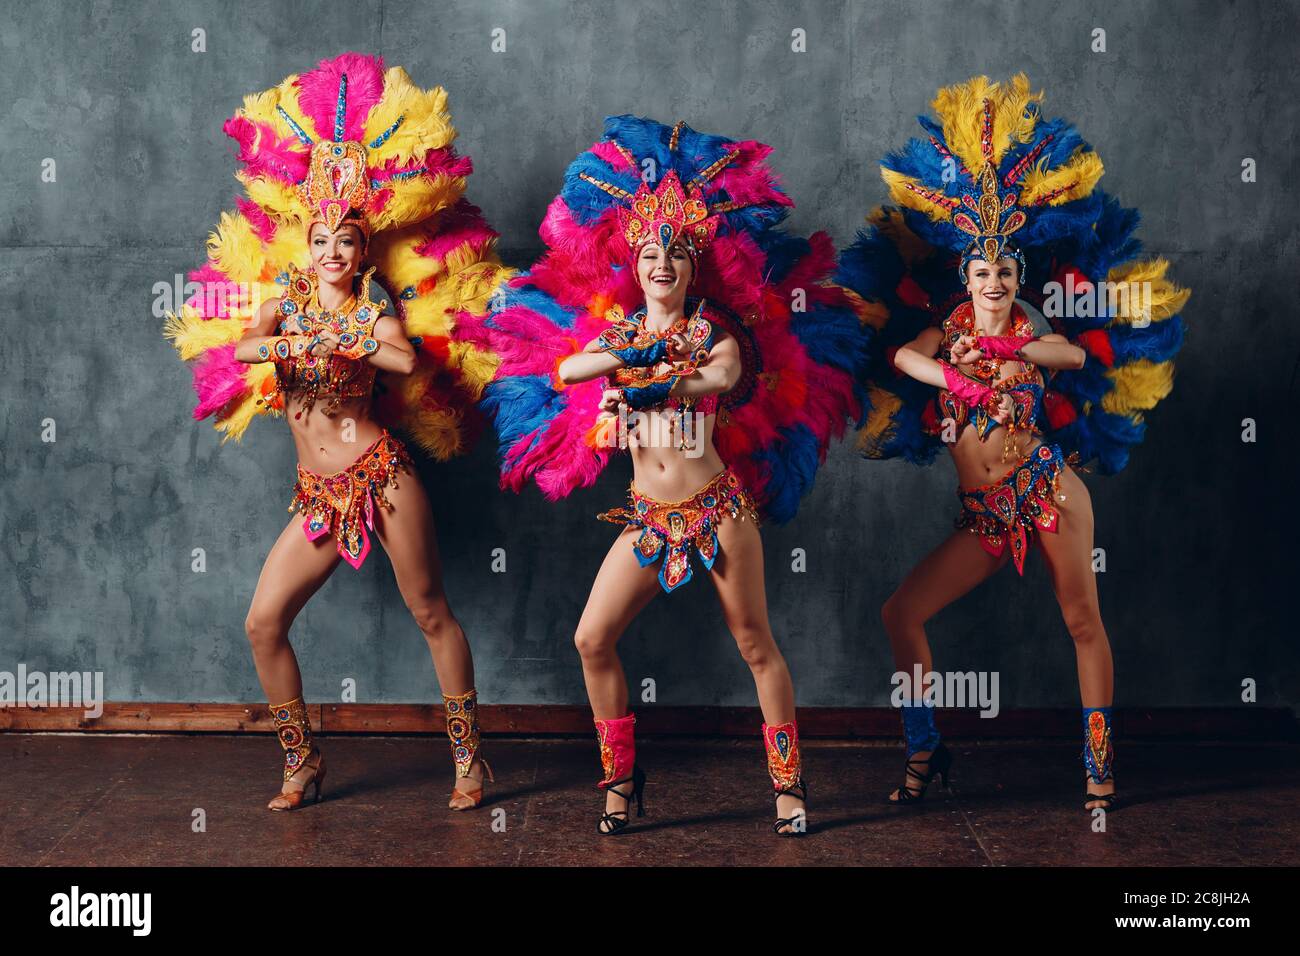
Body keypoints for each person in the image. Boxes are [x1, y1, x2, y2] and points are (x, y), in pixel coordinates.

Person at [456, 117, 866, 835]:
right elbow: (568, 367)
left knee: (754, 644)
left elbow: (722, 374)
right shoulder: (619, 333)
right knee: (591, 639)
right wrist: (627, 368)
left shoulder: (713, 332)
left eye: (676, 253)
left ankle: (790, 789)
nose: (663, 265)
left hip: (716, 510)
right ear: (636, 264)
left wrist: (650, 381)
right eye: (650, 253)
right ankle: (621, 782)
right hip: (648, 519)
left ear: (691, 265)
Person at [165, 53, 511, 811]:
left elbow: (402, 356)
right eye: (320, 239)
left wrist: (348, 339)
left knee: (430, 611)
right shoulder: (285, 302)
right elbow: (246, 347)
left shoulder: (371, 309)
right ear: (308, 246)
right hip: (318, 493)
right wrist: (295, 342)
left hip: (382, 476)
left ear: (361, 253)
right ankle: (302, 763)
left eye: (345, 243)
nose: (330, 251)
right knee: (263, 623)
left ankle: (469, 762)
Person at [835, 74, 1190, 812]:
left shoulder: (1028, 331)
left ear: (1015, 278)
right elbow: (905, 360)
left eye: (1002, 271)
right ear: (963, 277)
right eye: (980, 271)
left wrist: (1004, 357)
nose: (991, 282)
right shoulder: (946, 332)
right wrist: (961, 382)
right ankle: (926, 751)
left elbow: (1073, 357)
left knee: (1080, 619)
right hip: (986, 515)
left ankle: (1098, 768)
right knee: (901, 613)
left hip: (1049, 491)